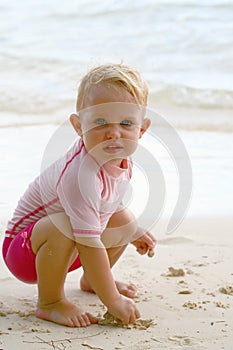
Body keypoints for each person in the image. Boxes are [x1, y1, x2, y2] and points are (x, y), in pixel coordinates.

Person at [2, 63, 156, 328]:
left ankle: (91, 280)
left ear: (141, 129)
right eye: (100, 122)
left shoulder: (120, 159)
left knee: (126, 221)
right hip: (25, 253)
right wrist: (113, 300)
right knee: (62, 224)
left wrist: (133, 231)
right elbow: (88, 243)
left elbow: (108, 203)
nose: (113, 133)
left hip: (65, 250)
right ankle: (50, 302)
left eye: (126, 123)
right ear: (77, 125)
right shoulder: (78, 175)